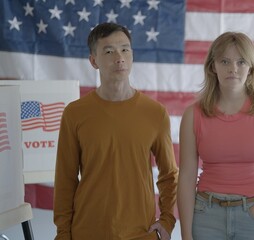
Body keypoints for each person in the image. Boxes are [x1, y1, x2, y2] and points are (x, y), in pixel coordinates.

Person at [53, 22, 178, 240]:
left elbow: (169, 175)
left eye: (124, 49)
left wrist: (167, 219)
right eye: (109, 51)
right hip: (87, 233)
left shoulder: (155, 113)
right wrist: (63, 234)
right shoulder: (75, 113)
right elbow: (65, 179)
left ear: (131, 55)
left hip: (141, 234)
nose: (119, 57)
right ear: (94, 61)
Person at [177, 32, 254, 240]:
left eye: (241, 61)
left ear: (251, 67)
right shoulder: (193, 114)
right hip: (206, 216)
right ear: (213, 66)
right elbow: (186, 177)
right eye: (225, 61)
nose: (233, 68)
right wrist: (186, 235)